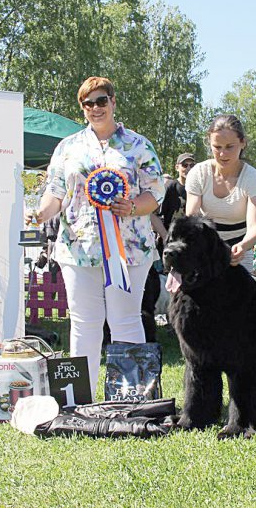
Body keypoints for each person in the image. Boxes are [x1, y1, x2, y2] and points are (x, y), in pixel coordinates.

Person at [29, 76, 165, 398]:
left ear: (113, 102)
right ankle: (79, 399)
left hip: (130, 249)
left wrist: (132, 206)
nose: (95, 108)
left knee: (125, 320)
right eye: (88, 103)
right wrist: (40, 213)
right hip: (78, 248)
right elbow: (56, 193)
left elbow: (156, 193)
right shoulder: (68, 147)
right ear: (82, 108)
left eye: (101, 101)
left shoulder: (139, 146)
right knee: (83, 323)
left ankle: (131, 398)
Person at [185, 115, 256, 272]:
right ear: (209, 143)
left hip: (240, 253)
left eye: (229, 147)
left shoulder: (253, 177)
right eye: (217, 147)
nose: (222, 154)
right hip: (205, 251)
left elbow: (255, 228)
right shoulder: (198, 173)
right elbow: (192, 219)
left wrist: (242, 246)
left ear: (243, 143)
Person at [151, 152, 195, 251]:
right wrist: (165, 236)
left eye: (192, 165)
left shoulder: (198, 189)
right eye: (185, 165)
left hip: (189, 242)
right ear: (177, 167)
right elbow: (154, 214)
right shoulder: (170, 187)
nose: (188, 168)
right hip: (170, 242)